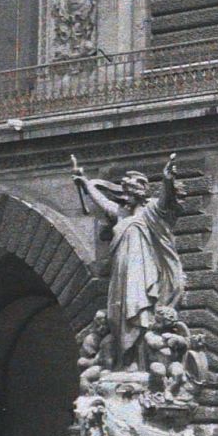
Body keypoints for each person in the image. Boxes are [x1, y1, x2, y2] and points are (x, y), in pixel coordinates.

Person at [73, 153, 185, 369]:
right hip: (121, 275)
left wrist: (167, 179)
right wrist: (85, 183)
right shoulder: (122, 215)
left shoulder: (151, 211)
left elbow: (166, 199)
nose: (125, 197)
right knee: (119, 315)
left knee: (140, 310)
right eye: (124, 192)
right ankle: (124, 361)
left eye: (129, 192)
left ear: (139, 193)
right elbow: (104, 203)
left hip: (143, 274)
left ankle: (139, 360)